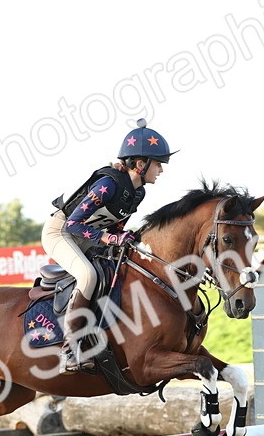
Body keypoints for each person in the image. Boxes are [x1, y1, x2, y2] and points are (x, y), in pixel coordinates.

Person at [45, 118, 175, 373]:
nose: (161, 170)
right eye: (158, 164)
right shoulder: (109, 185)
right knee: (88, 275)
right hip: (60, 232)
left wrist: (122, 238)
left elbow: (115, 227)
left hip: (86, 236)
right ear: (140, 164)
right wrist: (110, 239)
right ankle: (69, 351)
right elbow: (73, 224)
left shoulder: (138, 193)